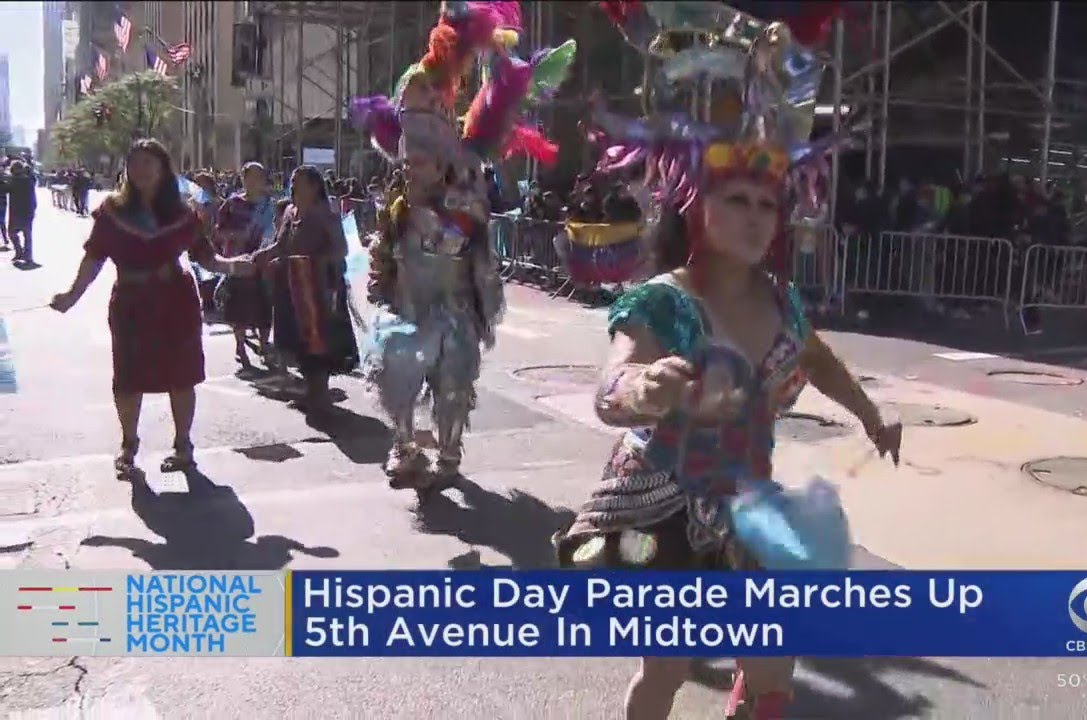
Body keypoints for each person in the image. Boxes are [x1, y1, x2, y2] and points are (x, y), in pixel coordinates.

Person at [554, 13, 899, 719]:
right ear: (698, 207)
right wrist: (643, 387)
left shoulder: (783, 301)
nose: (752, 217)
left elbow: (818, 361)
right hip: (664, 504)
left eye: (766, 205)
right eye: (734, 201)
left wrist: (870, 415)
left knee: (775, 677)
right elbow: (612, 383)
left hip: (749, 508)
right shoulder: (664, 300)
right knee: (667, 671)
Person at [350, 3, 569, 487]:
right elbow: (386, 256)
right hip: (408, 308)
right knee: (391, 369)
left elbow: (456, 244)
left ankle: (448, 454)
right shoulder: (397, 203)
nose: (412, 167)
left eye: (423, 160)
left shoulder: (462, 201)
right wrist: (382, 265)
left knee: (452, 382)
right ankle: (406, 447)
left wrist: (442, 211)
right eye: (408, 160)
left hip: (451, 310)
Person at [48, 139, 255, 476]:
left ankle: (184, 446)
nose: (141, 169)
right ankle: (128, 445)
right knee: (128, 378)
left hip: (175, 301)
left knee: (181, 375)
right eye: (135, 163)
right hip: (131, 302)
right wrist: (72, 295)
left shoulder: (183, 213)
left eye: (149, 163)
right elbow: (94, 257)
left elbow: (206, 258)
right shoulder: (111, 212)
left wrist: (235, 266)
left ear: (162, 169)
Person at [250, 165, 359, 410]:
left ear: (314, 186)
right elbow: (281, 244)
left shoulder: (325, 214)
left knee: (319, 339)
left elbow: (340, 249)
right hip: (292, 287)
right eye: (293, 181)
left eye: (300, 182)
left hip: (321, 288)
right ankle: (310, 391)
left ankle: (321, 394)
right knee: (298, 339)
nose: (294, 186)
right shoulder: (290, 212)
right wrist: (263, 255)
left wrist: (312, 261)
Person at [213, 162, 276, 367]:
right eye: (251, 176)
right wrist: (235, 236)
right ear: (243, 178)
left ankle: (265, 344)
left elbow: (277, 231)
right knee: (238, 307)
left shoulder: (269, 205)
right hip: (238, 262)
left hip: (263, 262)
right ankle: (240, 346)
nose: (255, 181)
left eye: (259, 176)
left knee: (265, 306)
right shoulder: (232, 204)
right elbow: (218, 232)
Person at [7, 161, 38, 265]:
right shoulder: (29, 179)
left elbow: (4, 189)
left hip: (16, 211)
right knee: (27, 234)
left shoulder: (13, 180)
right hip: (28, 210)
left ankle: (20, 252)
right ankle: (27, 255)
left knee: (12, 233)